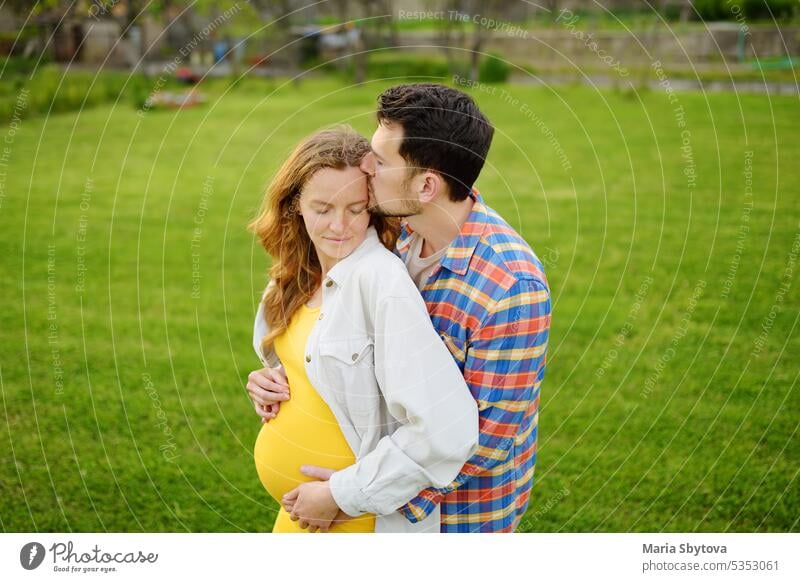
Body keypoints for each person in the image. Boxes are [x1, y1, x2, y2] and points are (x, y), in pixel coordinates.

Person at [279, 83, 552, 533]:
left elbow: (482, 441)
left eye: (381, 161)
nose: (365, 165)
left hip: (457, 523)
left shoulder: (510, 288)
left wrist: (350, 496)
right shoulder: (392, 232)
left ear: (426, 185)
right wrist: (284, 378)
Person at [247, 125, 478, 533]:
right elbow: (315, 372)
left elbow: (446, 428)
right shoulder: (293, 275)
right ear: (294, 205)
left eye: (356, 208)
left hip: (357, 520)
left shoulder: (381, 283)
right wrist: (268, 383)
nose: (340, 226)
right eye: (323, 209)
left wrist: (340, 495)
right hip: (297, 518)